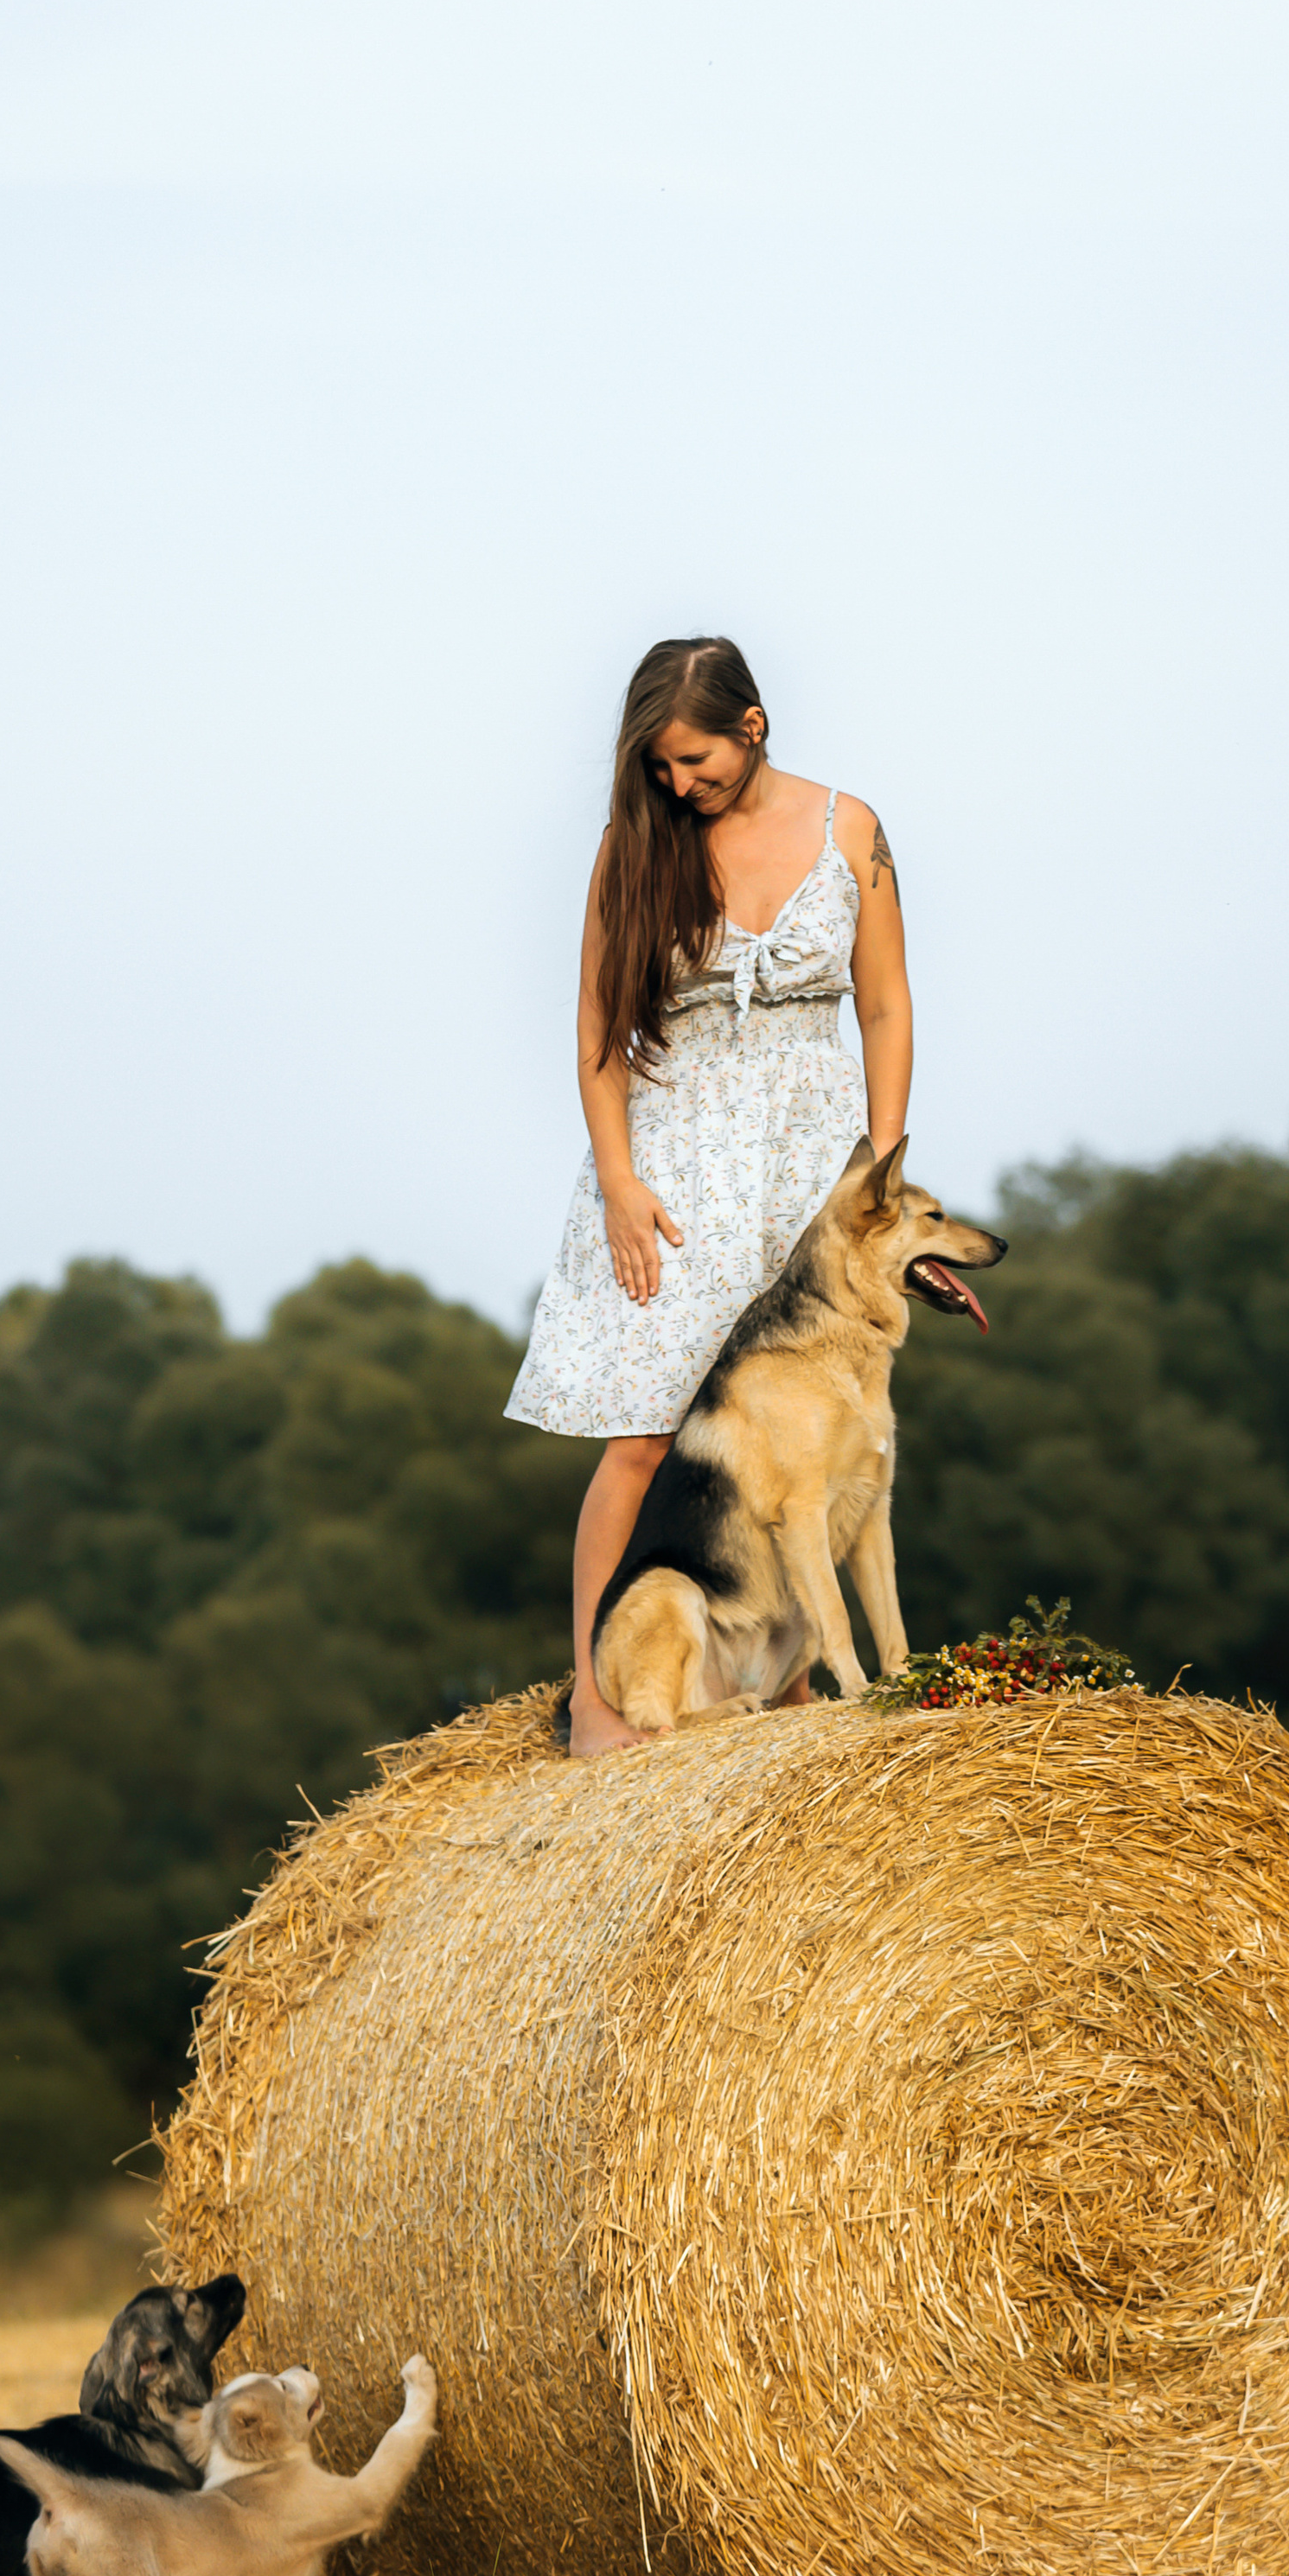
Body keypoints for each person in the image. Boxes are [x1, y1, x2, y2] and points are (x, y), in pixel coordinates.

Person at [505, 637, 912, 1755]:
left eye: (694, 762)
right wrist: (622, 1185)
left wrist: (876, 1171)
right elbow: (596, 1036)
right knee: (643, 1438)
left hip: (807, 1175)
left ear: (755, 726)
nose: (679, 787)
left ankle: (784, 1696)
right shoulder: (631, 849)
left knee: (789, 1449)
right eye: (660, 769)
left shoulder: (854, 834)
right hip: (674, 1173)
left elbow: (882, 1008)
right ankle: (598, 1701)